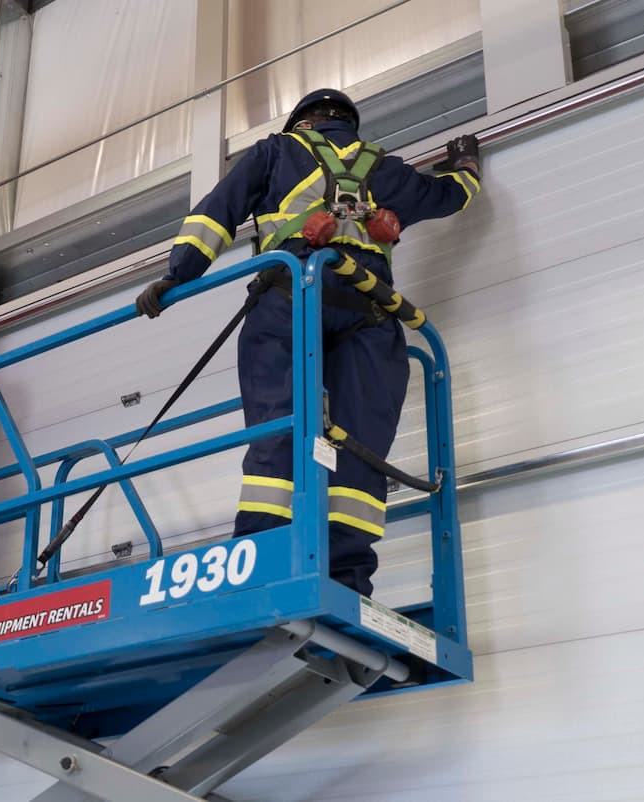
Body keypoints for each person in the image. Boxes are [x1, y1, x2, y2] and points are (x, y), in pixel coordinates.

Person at [136, 89, 482, 596]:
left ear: (302, 123)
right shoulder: (386, 170)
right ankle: (346, 581)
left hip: (292, 298)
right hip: (371, 313)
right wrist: (468, 162)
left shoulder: (274, 153)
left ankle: (259, 569)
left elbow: (215, 215)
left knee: (280, 434)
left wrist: (175, 277)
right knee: (360, 450)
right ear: (350, 127)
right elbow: (451, 194)